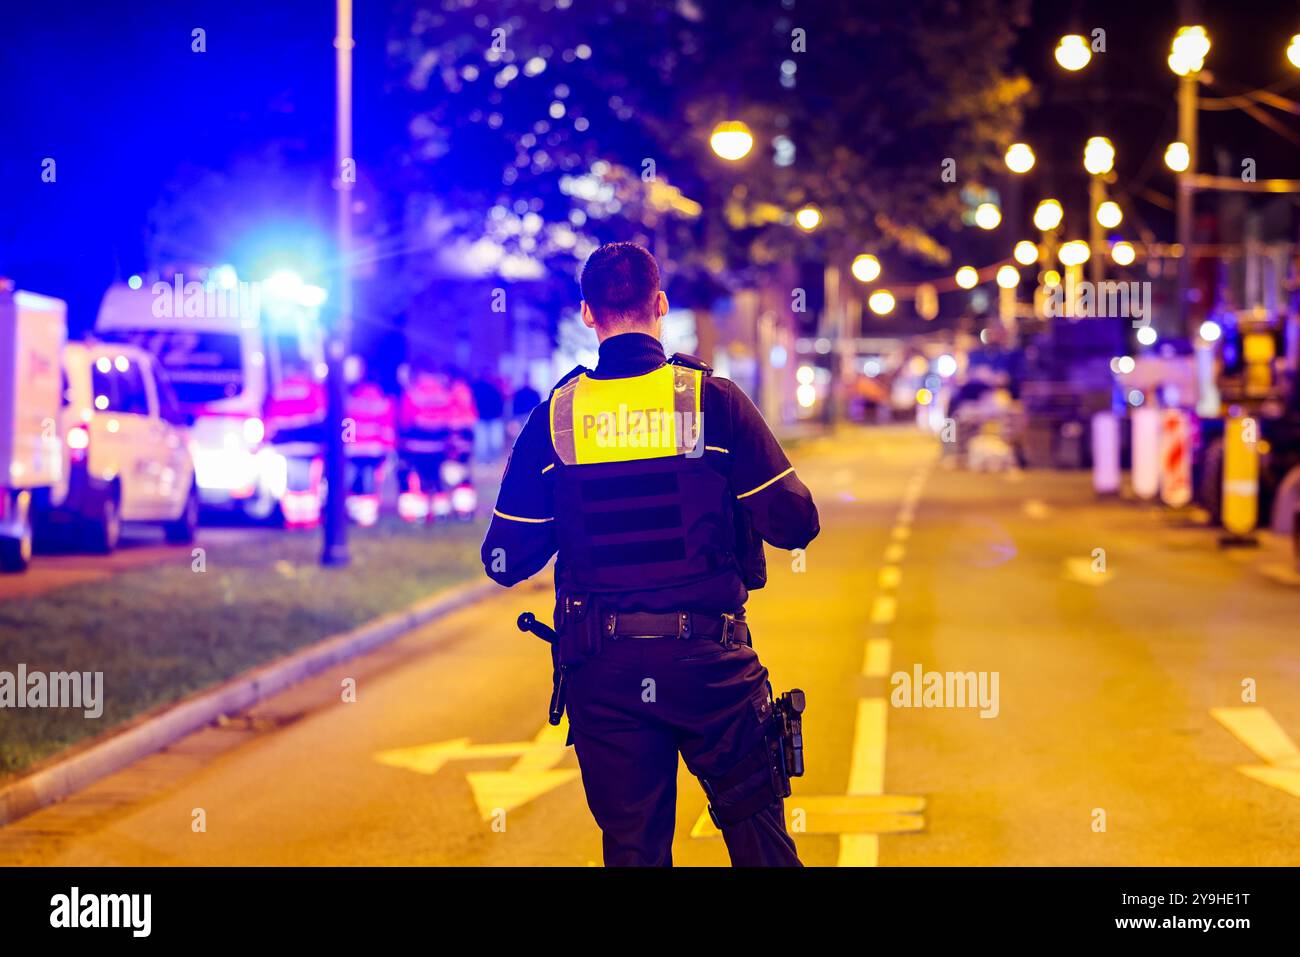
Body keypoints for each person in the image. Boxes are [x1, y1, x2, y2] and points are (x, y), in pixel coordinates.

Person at [481, 242, 819, 866]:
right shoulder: (712, 403)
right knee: (761, 848)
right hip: (710, 666)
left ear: (588, 314)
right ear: (660, 305)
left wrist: (574, 505)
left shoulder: (556, 417)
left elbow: (504, 559)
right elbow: (798, 524)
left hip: (604, 670)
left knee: (634, 852)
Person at [343, 356, 395, 527]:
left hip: (353, 449)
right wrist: (387, 450)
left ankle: (352, 514)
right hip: (373, 449)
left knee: (350, 482)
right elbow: (386, 428)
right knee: (368, 482)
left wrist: (346, 444)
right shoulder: (380, 400)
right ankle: (367, 518)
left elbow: (347, 423)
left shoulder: (351, 398)